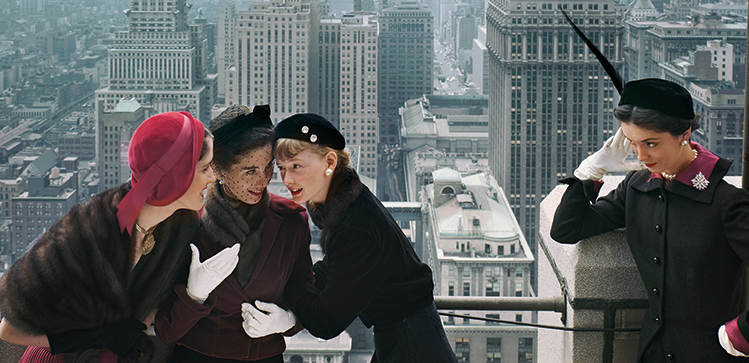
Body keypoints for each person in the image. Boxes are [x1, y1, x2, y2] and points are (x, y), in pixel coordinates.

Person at [550, 78, 749, 362]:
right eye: (632, 143)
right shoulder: (637, 187)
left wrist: (743, 335)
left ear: (684, 132)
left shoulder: (725, 203)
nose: (642, 156)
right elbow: (566, 229)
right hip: (651, 353)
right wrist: (592, 169)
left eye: (651, 143)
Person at [0, 110, 240, 363]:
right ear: (175, 176)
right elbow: (10, 329)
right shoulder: (90, 232)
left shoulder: (181, 229)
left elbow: (164, 322)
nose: (213, 178)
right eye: (205, 168)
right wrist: (101, 336)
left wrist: (195, 294)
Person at [247, 113, 457, 363]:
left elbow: (326, 323)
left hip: (412, 344)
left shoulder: (356, 227)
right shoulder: (348, 202)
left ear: (330, 161)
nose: (287, 179)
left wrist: (288, 278)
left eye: (297, 166)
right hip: (406, 334)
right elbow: (338, 268)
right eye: (281, 168)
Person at [154, 104, 313, 363]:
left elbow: (307, 299)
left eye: (268, 167)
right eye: (249, 171)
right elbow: (165, 330)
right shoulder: (184, 224)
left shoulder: (292, 222)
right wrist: (194, 296)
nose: (263, 181)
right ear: (217, 169)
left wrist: (288, 322)